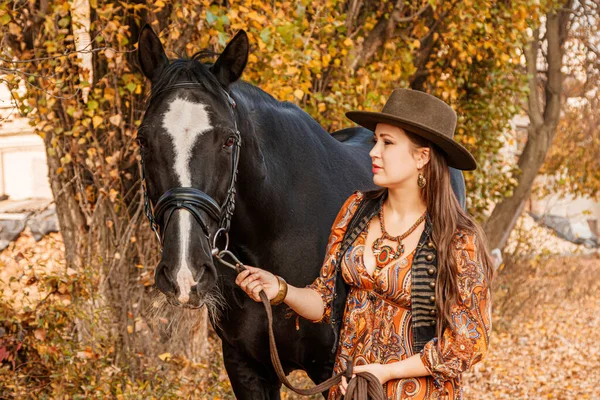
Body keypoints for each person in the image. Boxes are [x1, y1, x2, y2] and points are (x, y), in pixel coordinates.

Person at [236, 88, 493, 399]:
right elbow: (324, 300)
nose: (373, 152)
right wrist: (282, 290)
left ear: (421, 156)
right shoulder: (355, 211)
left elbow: (469, 343)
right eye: (375, 142)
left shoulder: (457, 239)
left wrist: (385, 372)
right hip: (352, 392)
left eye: (388, 143)